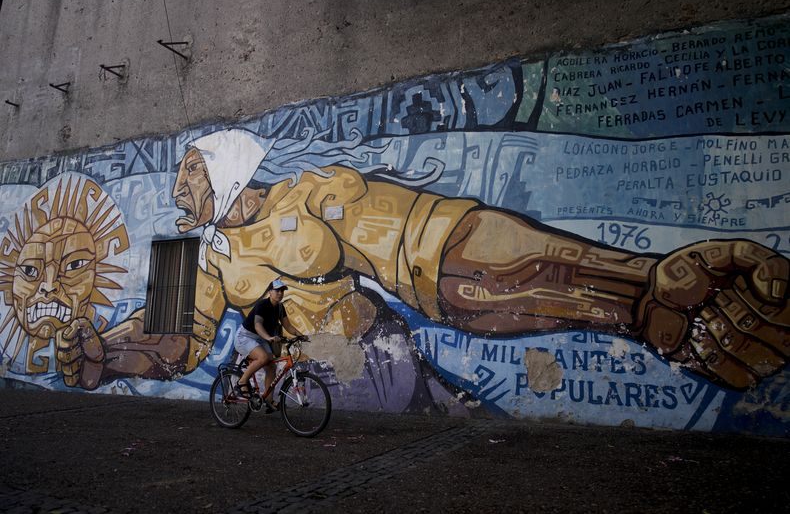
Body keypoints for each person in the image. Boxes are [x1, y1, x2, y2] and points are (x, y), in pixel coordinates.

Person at [55, 127, 789, 400]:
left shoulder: (317, 196)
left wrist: (635, 288)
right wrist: (105, 354)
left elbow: (440, 252)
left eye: (190, 168)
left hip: (381, 367)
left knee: (460, 288)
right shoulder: (194, 252)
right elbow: (172, 338)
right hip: (308, 380)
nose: (176, 186)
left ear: (228, 168)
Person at [233, 278, 298, 409]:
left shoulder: (280, 308)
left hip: (261, 338)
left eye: (282, 291)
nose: (280, 293)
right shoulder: (262, 305)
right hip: (244, 336)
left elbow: (288, 326)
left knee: (271, 367)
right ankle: (241, 382)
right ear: (270, 292)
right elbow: (258, 326)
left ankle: (268, 400)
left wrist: (301, 336)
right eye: (277, 290)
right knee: (263, 357)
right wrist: (269, 337)